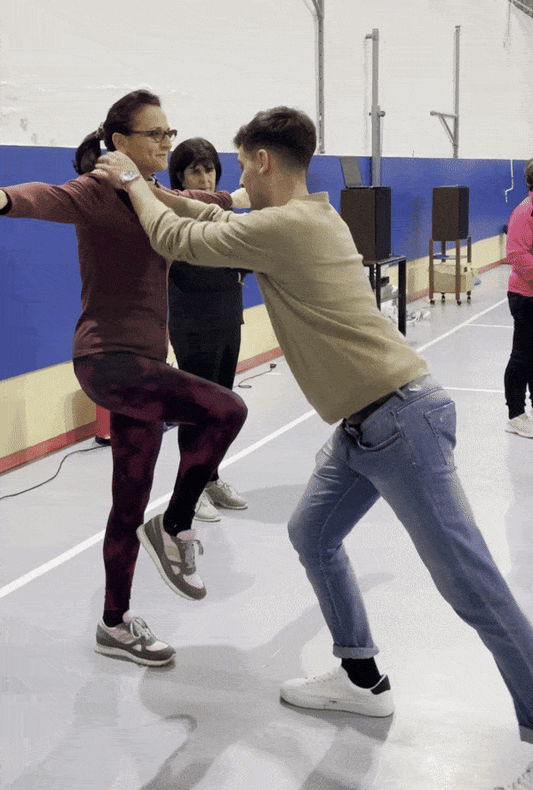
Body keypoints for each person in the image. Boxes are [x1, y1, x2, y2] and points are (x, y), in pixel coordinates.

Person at [96, 106, 533, 789]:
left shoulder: (286, 226)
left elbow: (177, 236)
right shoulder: (314, 214)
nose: (238, 181)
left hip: (400, 422)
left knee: (470, 584)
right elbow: (210, 213)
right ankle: (361, 676)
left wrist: (130, 181)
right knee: (313, 534)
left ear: (263, 161)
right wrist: (160, 189)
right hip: (363, 426)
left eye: (243, 167)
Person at [0, 89, 248, 667]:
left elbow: (198, 200)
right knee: (227, 410)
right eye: (154, 134)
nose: (166, 142)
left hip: (146, 367)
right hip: (107, 361)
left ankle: (114, 622)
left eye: (168, 132)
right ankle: (176, 526)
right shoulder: (96, 191)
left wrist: (247, 193)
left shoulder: (152, 195)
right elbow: (43, 197)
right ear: (120, 142)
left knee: (127, 503)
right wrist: (4, 198)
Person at [166, 137, 249, 521]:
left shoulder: (224, 217)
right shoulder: (174, 216)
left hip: (228, 318)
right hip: (193, 324)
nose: (205, 178)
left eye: (210, 169)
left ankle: (210, 478)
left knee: (223, 406)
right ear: (180, 178)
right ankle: (190, 489)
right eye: (195, 171)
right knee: (197, 410)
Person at [504, 159, 533, 440]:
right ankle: (516, 415)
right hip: (525, 296)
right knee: (522, 356)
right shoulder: (524, 212)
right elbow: (516, 254)